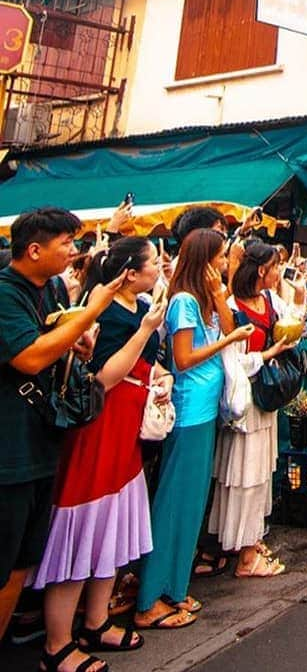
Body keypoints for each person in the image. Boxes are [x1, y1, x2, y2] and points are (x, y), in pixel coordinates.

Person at [34, 239, 171, 671]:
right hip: (99, 428)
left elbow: (149, 363)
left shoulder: (140, 305)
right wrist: (147, 330)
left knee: (113, 529)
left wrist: (159, 376)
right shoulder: (106, 312)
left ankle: (96, 621)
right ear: (129, 273)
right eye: (154, 261)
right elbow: (103, 379)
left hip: (127, 431)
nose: (160, 267)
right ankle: (57, 644)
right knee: (83, 529)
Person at [0, 208, 126, 647]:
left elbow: (59, 339)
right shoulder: (5, 294)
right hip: (10, 451)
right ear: (34, 250)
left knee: (22, 562)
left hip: (44, 441)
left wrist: (79, 338)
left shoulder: (52, 288)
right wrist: (91, 313)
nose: (74, 252)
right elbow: (30, 357)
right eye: (65, 245)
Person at [135, 230, 254, 631]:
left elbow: (225, 322)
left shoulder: (202, 299)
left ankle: (173, 587)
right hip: (187, 413)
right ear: (203, 259)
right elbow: (183, 359)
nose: (224, 263)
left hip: (204, 412)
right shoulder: (184, 302)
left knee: (190, 505)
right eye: (220, 257)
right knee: (173, 505)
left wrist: (220, 294)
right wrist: (228, 342)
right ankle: (151, 597)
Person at [210, 242, 297, 579]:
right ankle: (245, 554)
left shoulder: (271, 301)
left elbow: (293, 318)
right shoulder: (233, 308)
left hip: (267, 401)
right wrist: (268, 353)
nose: (280, 272)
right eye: (276, 266)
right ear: (262, 270)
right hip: (246, 403)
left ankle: (251, 540)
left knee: (261, 475)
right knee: (245, 476)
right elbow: (231, 362)